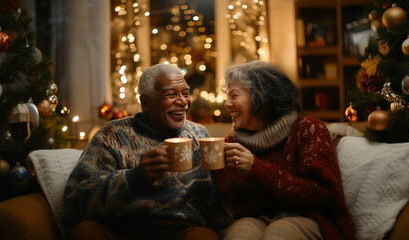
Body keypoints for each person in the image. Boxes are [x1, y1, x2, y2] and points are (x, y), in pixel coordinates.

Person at [62, 63, 218, 240]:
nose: (183, 102)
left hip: (181, 230)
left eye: (185, 93)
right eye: (171, 94)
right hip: (122, 229)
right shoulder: (112, 135)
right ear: (146, 102)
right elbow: (75, 201)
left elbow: (212, 200)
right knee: (85, 233)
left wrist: (233, 171)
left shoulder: (199, 134)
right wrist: (136, 178)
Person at [212, 60, 355, 240]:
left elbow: (320, 193)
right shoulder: (231, 143)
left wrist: (254, 168)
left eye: (234, 95)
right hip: (252, 219)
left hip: (307, 217)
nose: (227, 103)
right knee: (241, 235)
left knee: (278, 235)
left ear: (261, 97)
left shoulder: (309, 129)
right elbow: (232, 205)